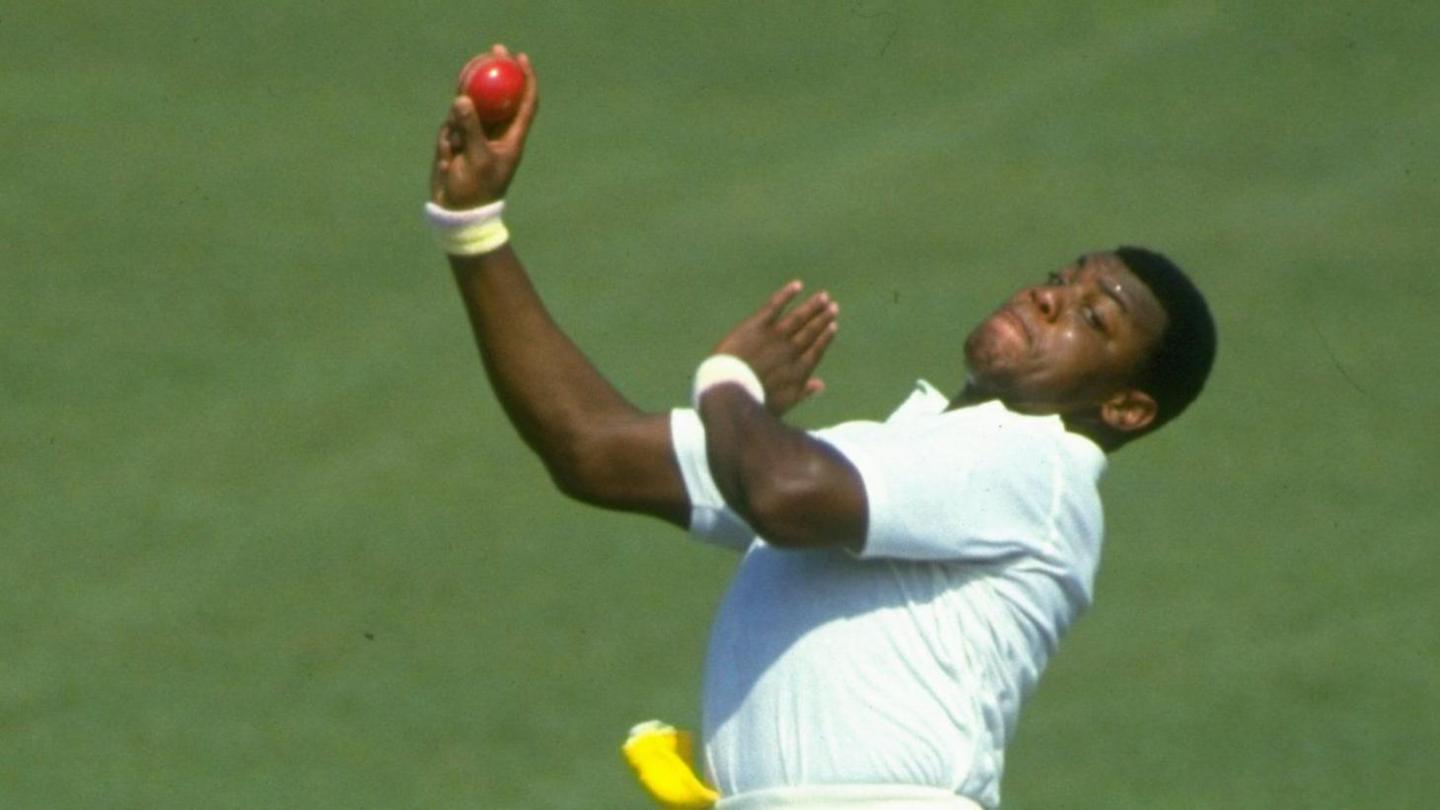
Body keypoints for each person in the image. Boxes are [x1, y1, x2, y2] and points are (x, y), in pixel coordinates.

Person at [426, 46, 1217, 810]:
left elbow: (782, 493)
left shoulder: (1040, 468)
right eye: (1058, 278)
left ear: (1125, 409)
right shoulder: (886, 457)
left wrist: (729, 382)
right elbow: (592, 451)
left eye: (1093, 316)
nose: (1049, 297)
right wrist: (472, 225)